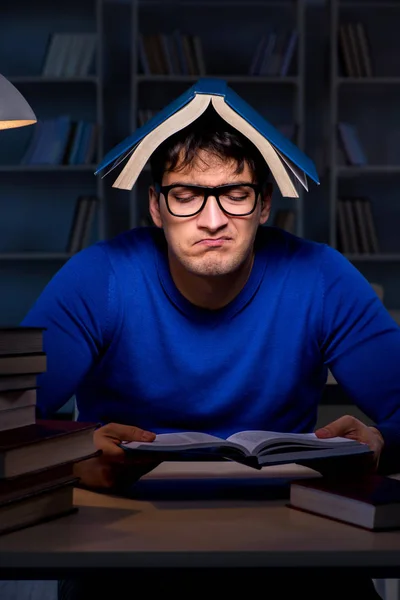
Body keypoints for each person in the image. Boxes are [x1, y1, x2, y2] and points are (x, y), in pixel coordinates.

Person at [21, 107, 398, 599]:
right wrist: (71, 461)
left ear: (264, 204)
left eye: (235, 194)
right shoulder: (100, 277)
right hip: (125, 536)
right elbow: (10, 421)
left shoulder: (320, 276)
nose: (213, 220)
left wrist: (377, 445)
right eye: (187, 196)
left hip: (292, 536)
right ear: (156, 207)